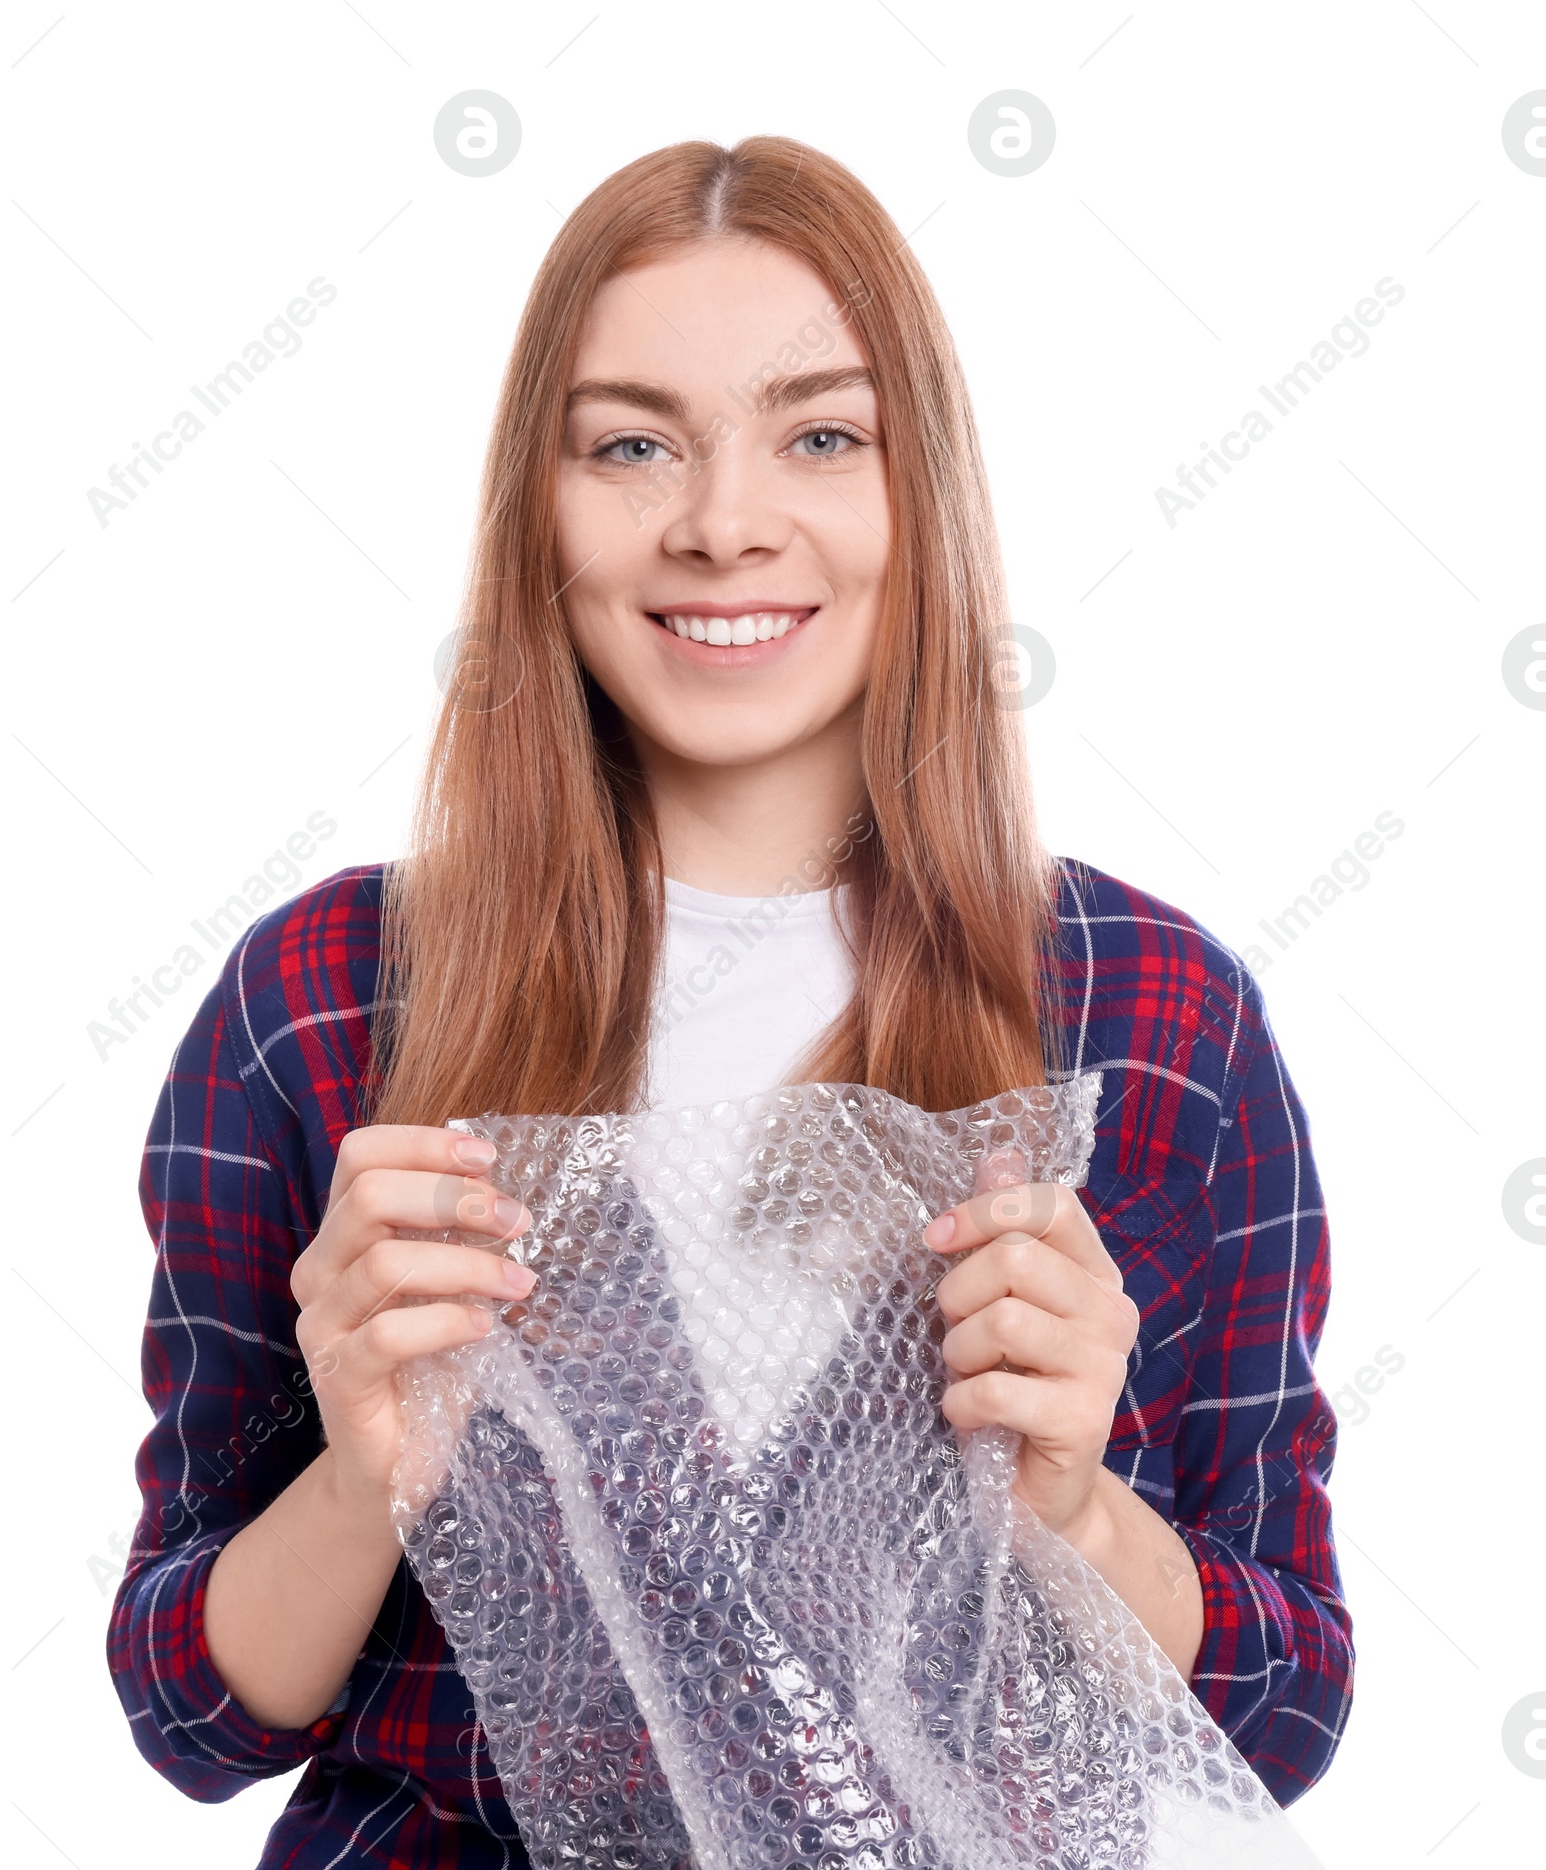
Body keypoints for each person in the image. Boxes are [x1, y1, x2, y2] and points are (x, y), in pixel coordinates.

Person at [107, 135, 1353, 1867]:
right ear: (537, 503)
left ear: (919, 489)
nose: (720, 520)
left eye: (820, 435)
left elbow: (1280, 1718)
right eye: (631, 444)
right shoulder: (325, 1002)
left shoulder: (1151, 1018)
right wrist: (364, 1467)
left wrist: (1073, 1506)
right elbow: (187, 1710)